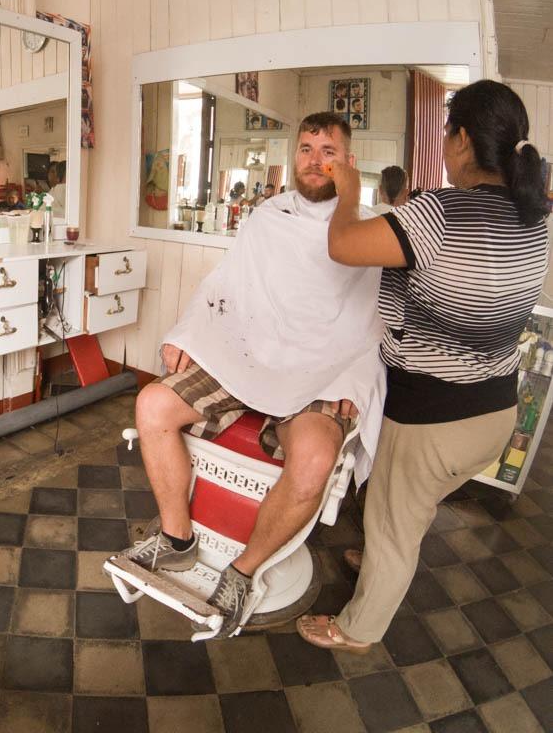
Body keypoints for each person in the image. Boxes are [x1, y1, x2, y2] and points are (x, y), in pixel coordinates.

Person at [297, 80, 549, 653]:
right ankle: (388, 550)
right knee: (408, 506)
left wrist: (348, 192)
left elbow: (342, 247)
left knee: (391, 520)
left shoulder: (439, 211)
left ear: (460, 140)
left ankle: (357, 629)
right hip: (494, 414)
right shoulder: (534, 214)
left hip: (436, 418)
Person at [123, 112, 387, 638]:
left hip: (320, 369)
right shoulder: (267, 217)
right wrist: (185, 332)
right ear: (294, 156)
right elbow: (226, 284)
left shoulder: (368, 229)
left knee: (314, 457)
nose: (315, 160)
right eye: (306, 148)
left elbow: (373, 318)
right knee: (152, 405)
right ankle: (177, 540)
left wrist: (354, 381)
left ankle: (243, 571)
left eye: (328, 150)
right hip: (250, 353)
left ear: (348, 161)